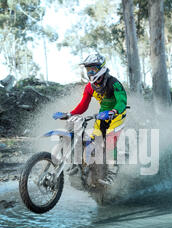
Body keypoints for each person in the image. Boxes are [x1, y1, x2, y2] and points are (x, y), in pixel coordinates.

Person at [53, 53, 128, 185]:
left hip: (117, 115)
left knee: (110, 139)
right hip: (102, 115)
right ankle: (85, 167)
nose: (90, 72)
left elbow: (122, 101)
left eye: (93, 69)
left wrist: (114, 111)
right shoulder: (89, 87)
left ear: (101, 68)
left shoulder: (114, 83)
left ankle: (112, 172)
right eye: (88, 69)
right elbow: (83, 105)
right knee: (94, 142)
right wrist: (69, 114)